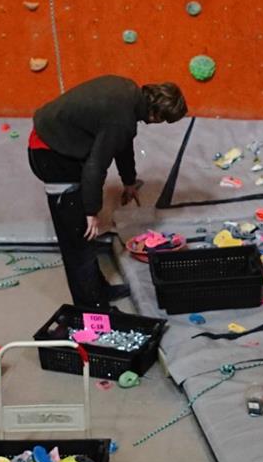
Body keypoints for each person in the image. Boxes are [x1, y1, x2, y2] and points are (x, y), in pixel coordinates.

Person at [27, 76, 189, 307]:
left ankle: (98, 289)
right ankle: (91, 306)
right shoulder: (121, 118)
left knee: (82, 232)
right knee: (78, 237)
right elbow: (96, 165)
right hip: (50, 154)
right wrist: (91, 210)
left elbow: (122, 143)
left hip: (55, 139)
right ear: (156, 114)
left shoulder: (129, 92)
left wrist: (129, 181)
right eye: (162, 121)